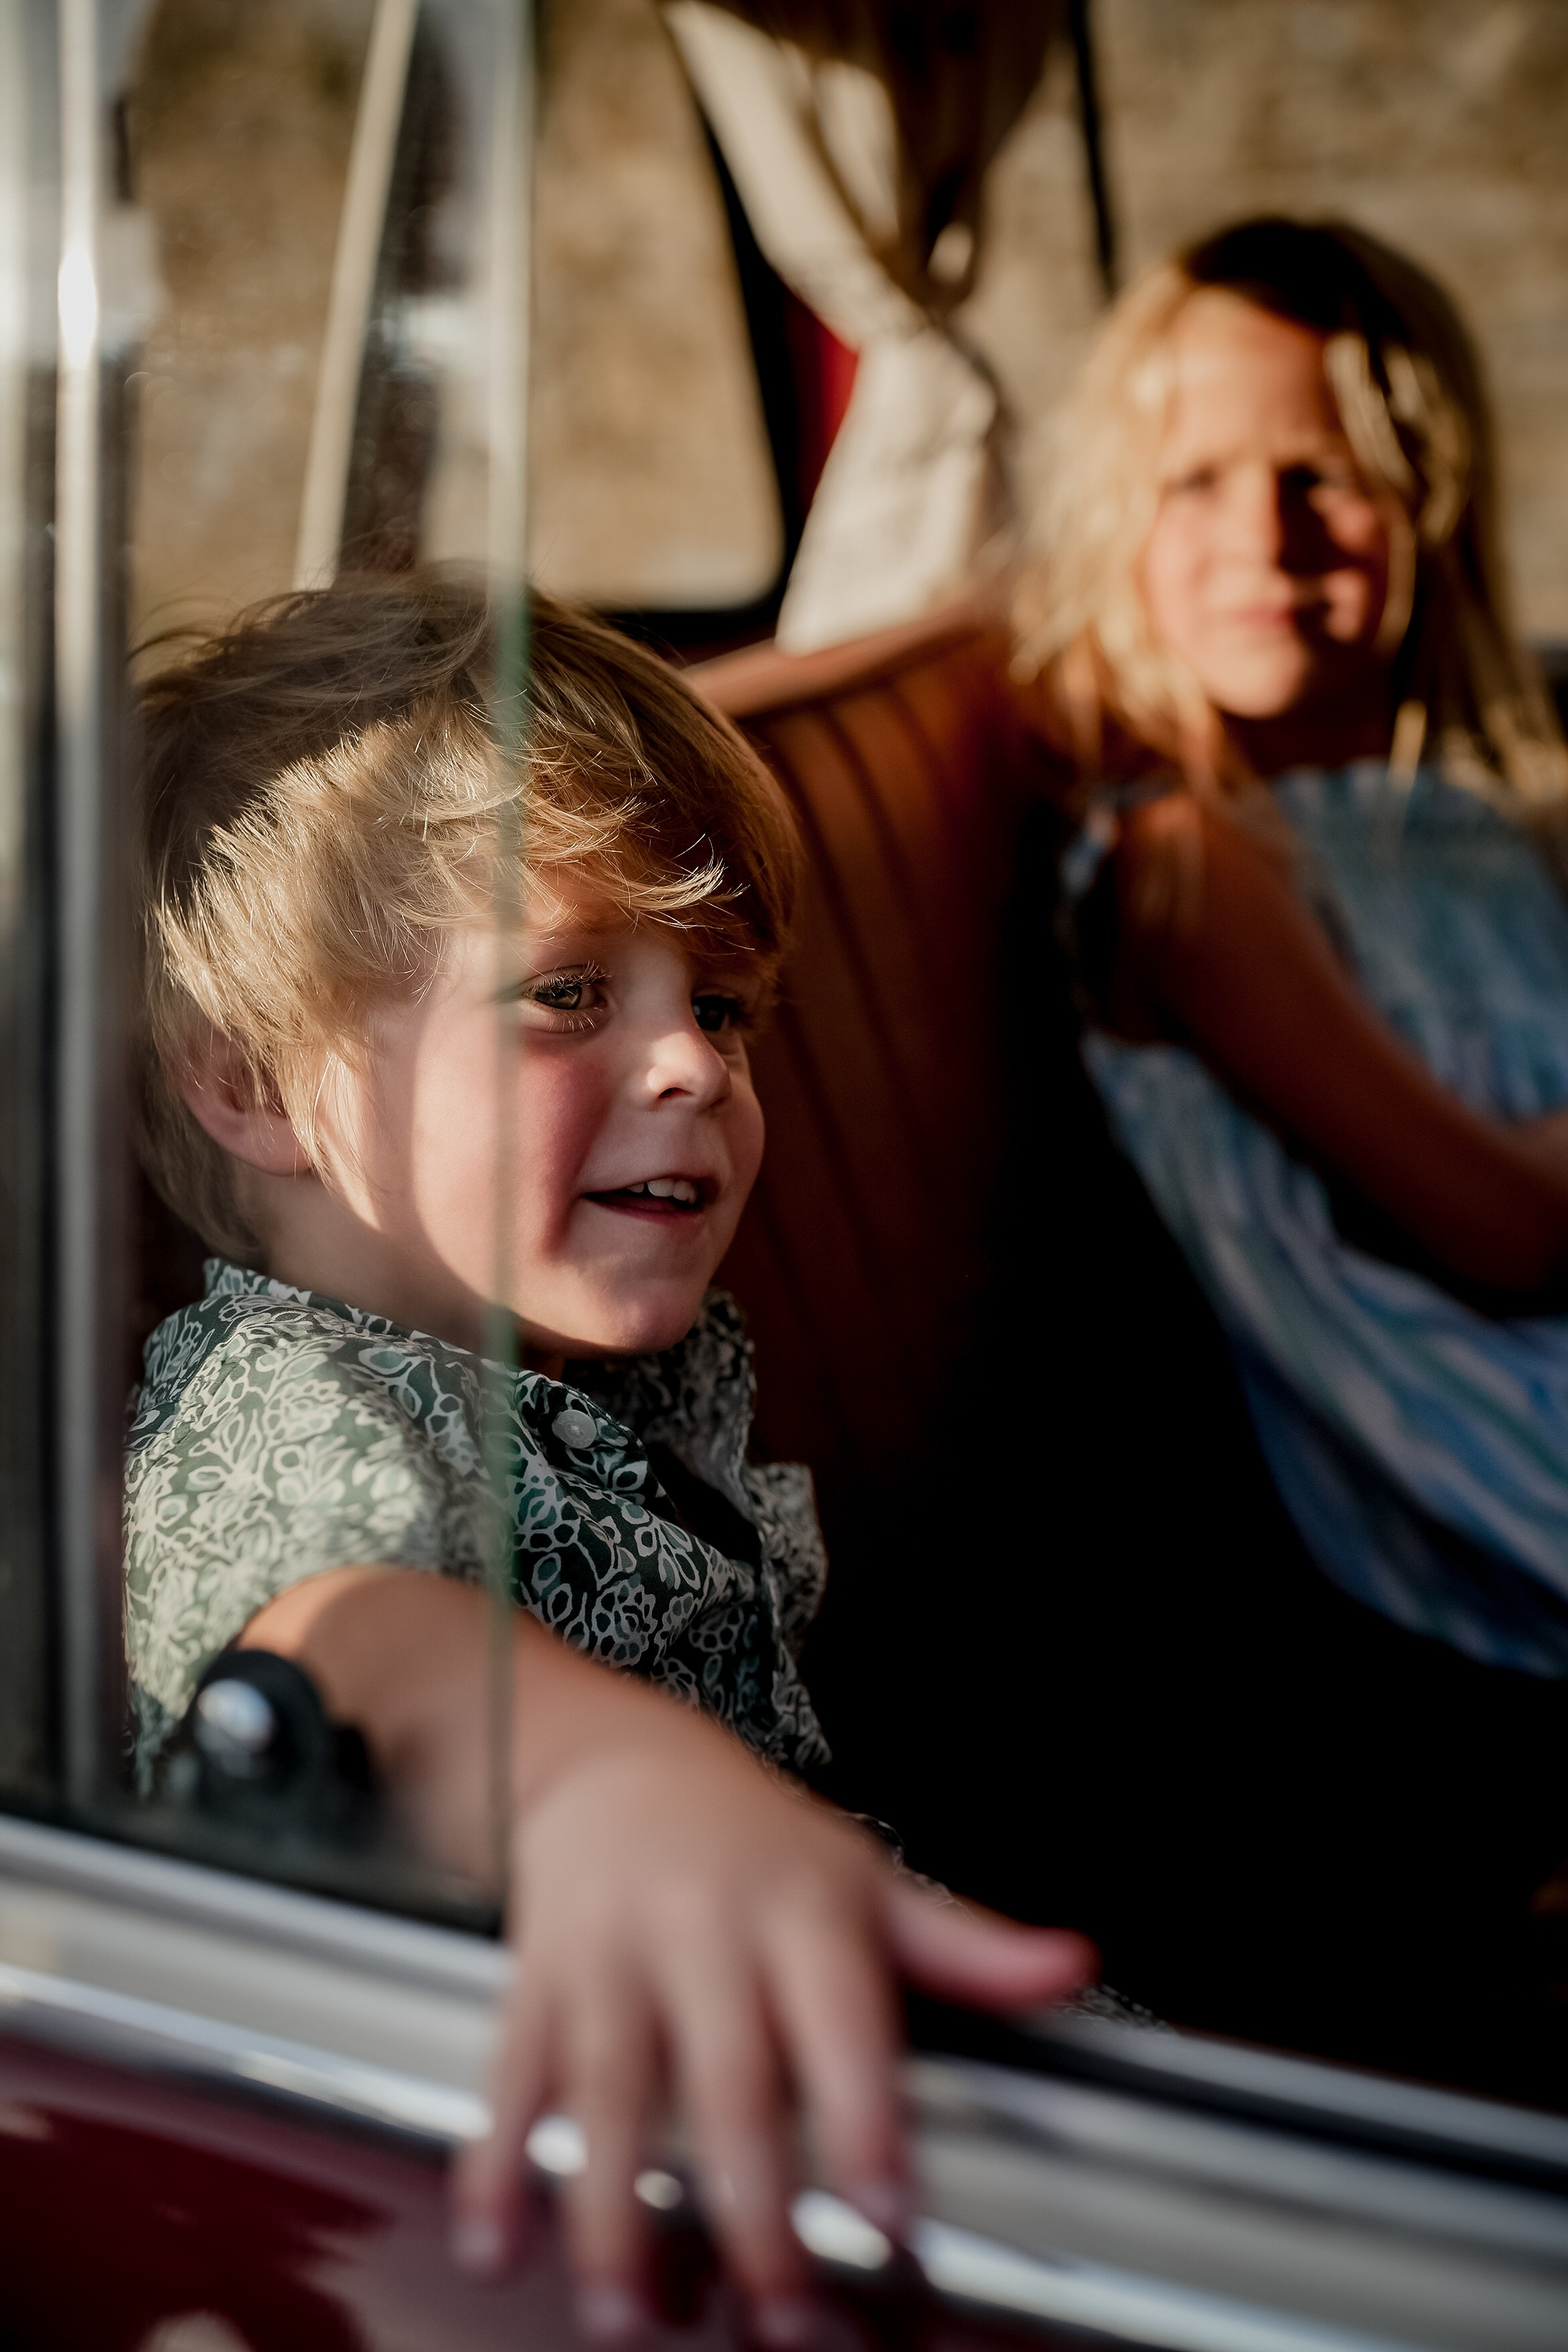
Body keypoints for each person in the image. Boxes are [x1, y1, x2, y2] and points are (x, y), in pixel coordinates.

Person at [126, 576, 1093, 2337]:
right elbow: (335, 1636)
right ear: (257, 1080)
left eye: (724, 1008)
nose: (691, 1070)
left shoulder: (593, 1364)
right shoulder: (288, 1408)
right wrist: (589, 1779)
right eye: (569, 992)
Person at [1001, 215, 1568, 2089]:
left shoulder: (1462, 815)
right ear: (1116, 523)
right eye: (1199, 485)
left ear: (1429, 502)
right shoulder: (1188, 866)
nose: (1266, 541)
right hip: (1465, 1463)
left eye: (1322, 478)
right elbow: (1499, 1225)